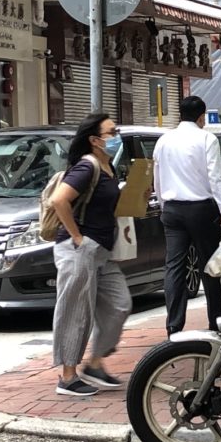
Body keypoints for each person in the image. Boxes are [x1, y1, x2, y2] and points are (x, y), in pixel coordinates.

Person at [48, 113, 132, 396]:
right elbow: (59, 200)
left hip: (102, 252)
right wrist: (77, 237)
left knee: (120, 304)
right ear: (95, 140)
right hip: (79, 249)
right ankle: (68, 377)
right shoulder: (87, 166)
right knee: (76, 311)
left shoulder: (110, 168)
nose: (116, 135)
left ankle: (94, 364)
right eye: (111, 132)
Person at [153, 96, 221, 335]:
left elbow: (157, 175)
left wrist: (164, 204)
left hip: (173, 209)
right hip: (201, 209)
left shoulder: (164, 140)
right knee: (208, 264)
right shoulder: (206, 138)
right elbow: (215, 176)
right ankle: (216, 319)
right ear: (201, 116)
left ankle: (174, 324)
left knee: (174, 266)